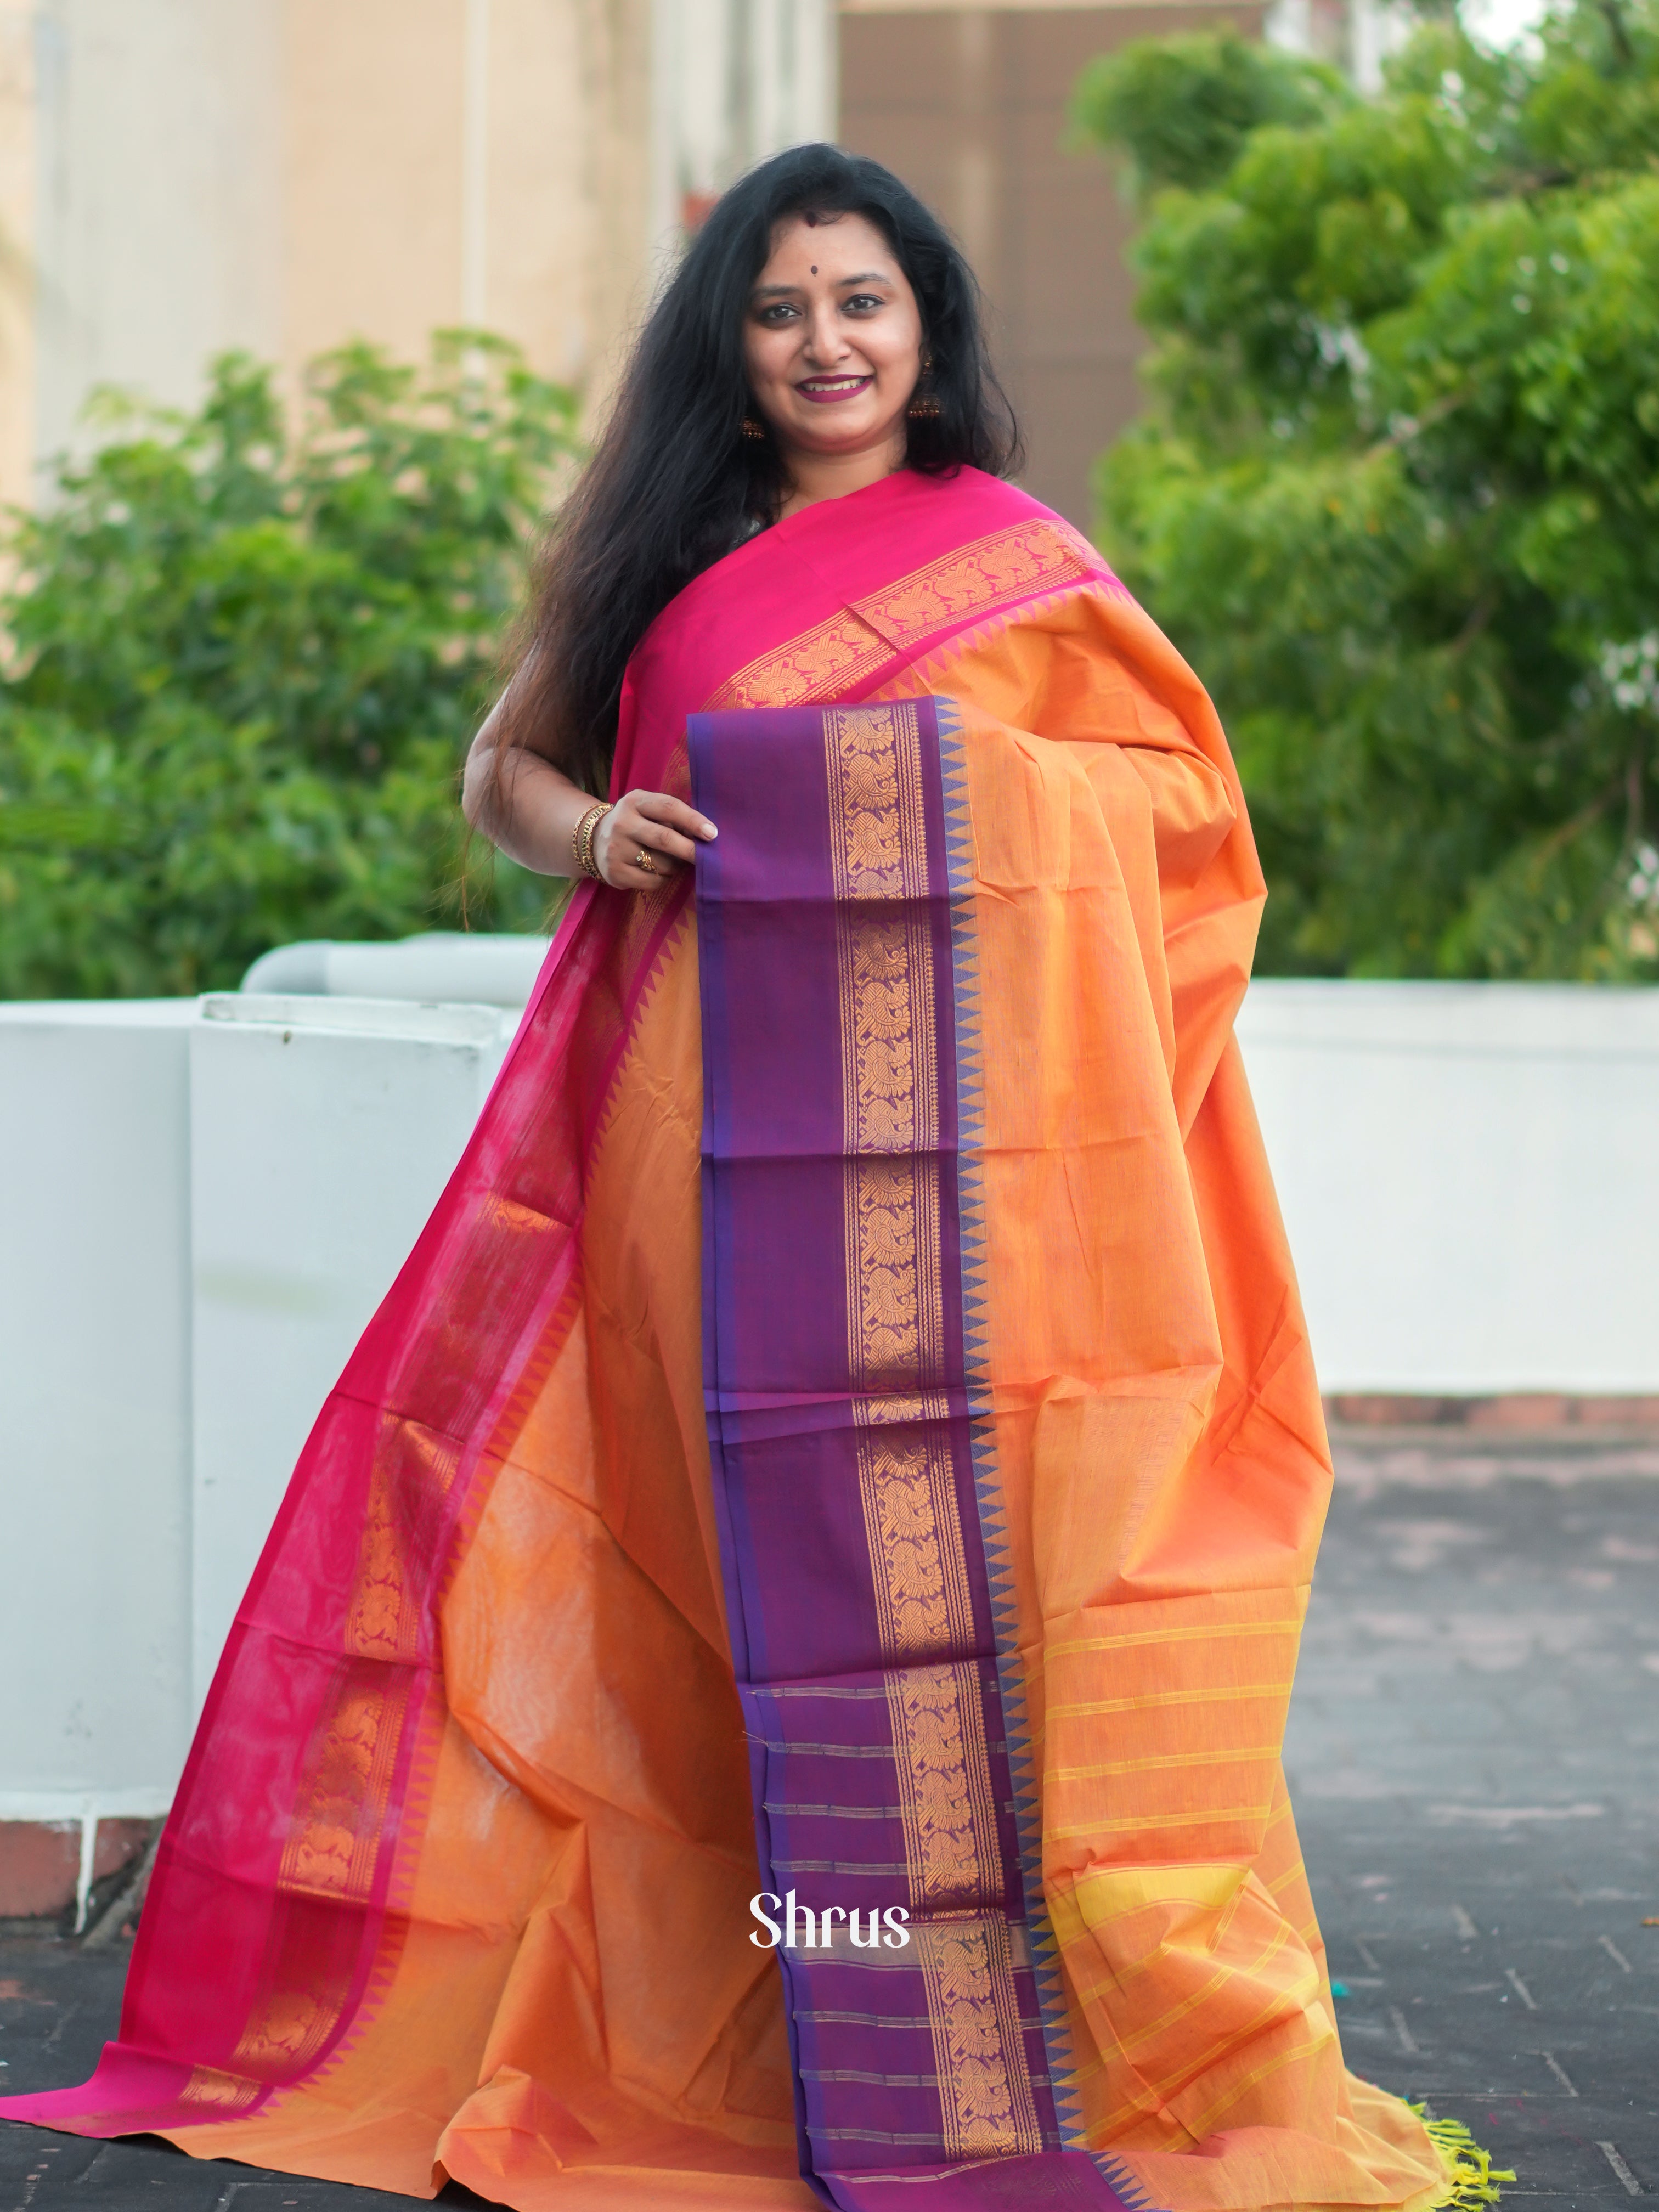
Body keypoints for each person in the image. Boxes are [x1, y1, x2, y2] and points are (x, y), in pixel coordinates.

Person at [0, 146, 1500, 2212]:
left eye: (864, 303)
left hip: (964, 1213)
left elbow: (1183, 818)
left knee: (963, 1590)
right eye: (785, 308)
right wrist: (597, 830)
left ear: (927, 329)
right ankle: (768, 2006)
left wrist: (964, 789)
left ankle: (976, 2022)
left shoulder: (1014, 558)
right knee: (718, 1590)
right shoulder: (668, 557)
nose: (827, 343)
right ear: (734, 340)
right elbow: (501, 772)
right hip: (691, 1171)